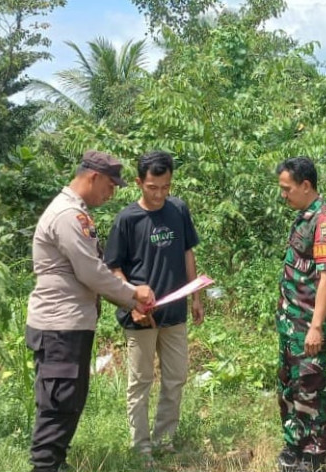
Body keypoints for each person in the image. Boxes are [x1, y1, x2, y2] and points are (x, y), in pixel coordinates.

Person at [26, 150, 156, 472]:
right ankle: (45, 466)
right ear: (93, 177)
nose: (110, 194)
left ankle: (56, 462)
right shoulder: (68, 216)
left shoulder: (74, 212)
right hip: (59, 327)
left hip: (68, 325)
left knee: (68, 401)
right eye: (110, 186)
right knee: (57, 405)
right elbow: (92, 273)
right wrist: (133, 295)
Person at [104, 150, 202, 458]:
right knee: (141, 381)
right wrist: (131, 297)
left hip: (175, 312)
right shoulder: (127, 220)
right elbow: (114, 267)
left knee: (175, 378)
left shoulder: (178, 209)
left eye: (165, 186)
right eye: (152, 187)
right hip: (141, 315)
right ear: (138, 183)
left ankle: (164, 439)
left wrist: (195, 297)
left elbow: (187, 252)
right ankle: (141, 447)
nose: (159, 194)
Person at [274, 157, 326, 472]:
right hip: (291, 323)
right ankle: (294, 442)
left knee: (310, 386)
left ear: (306, 185)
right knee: (289, 385)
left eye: (287, 189)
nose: (283, 195)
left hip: (309, 325)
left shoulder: (325, 223)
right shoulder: (303, 217)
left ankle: (314, 451)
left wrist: (316, 327)